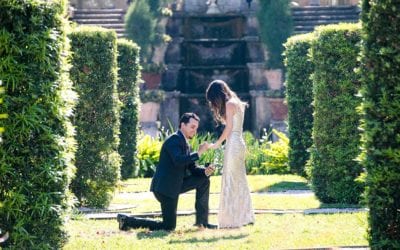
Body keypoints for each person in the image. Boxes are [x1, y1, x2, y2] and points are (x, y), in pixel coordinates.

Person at [117, 113, 217, 231]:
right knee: (168, 227)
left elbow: (192, 168)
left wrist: (205, 171)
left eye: (196, 127)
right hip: (165, 189)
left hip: (177, 184)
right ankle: (127, 221)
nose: (194, 130)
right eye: (192, 127)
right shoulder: (174, 140)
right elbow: (178, 161)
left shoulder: (186, 143)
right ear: (182, 125)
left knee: (204, 180)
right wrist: (198, 153)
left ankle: (202, 222)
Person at [206, 79, 255, 228]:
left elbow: (228, 128)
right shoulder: (237, 102)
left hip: (233, 142)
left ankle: (232, 219)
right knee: (239, 179)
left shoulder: (229, 104)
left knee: (231, 179)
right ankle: (243, 216)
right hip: (238, 142)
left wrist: (216, 144)